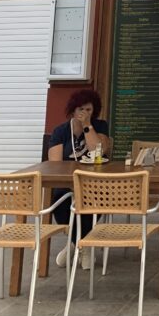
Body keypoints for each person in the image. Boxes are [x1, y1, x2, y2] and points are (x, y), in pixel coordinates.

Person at [48, 87, 112, 268]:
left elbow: (99, 150)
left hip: (94, 183)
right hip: (67, 184)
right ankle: (83, 244)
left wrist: (87, 126)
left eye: (89, 110)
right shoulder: (61, 131)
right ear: (73, 110)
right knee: (60, 202)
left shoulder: (99, 126)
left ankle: (75, 246)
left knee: (98, 200)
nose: (84, 113)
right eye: (81, 109)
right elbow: (55, 163)